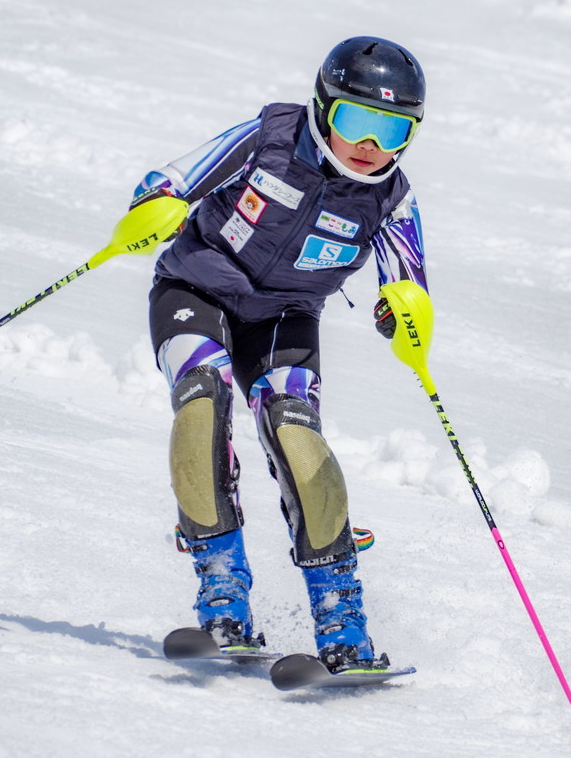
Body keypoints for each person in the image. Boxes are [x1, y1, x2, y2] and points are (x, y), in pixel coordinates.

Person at [129, 36, 428, 673]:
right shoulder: (270, 138)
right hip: (197, 287)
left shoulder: (389, 198)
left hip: (286, 317)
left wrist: (403, 316)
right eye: (357, 121)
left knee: (296, 436)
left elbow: (409, 287)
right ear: (323, 109)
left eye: (393, 130)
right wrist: (154, 207)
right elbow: (170, 179)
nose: (370, 145)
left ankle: (344, 624)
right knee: (201, 402)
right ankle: (222, 597)